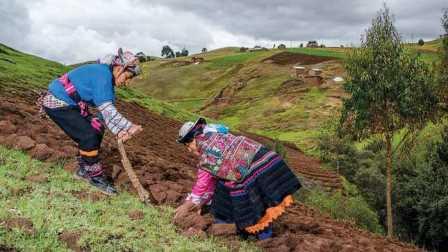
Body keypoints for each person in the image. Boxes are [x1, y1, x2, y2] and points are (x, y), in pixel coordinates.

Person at [174, 118, 301, 240]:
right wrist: (199, 203)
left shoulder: (207, 155)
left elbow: (202, 184)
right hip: (263, 159)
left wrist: (189, 205)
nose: (189, 150)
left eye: (188, 145)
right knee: (224, 190)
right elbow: (212, 184)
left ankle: (265, 239)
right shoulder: (214, 134)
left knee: (254, 204)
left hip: (254, 167)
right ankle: (225, 224)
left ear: (193, 140)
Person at [38, 48, 143, 195]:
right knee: (88, 136)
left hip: (70, 103)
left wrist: (119, 131)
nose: (127, 82)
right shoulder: (103, 76)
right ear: (120, 68)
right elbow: (108, 110)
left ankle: (84, 169)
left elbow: (106, 113)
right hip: (58, 102)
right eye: (128, 76)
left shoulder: (106, 78)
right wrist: (129, 126)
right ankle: (94, 177)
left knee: (97, 126)